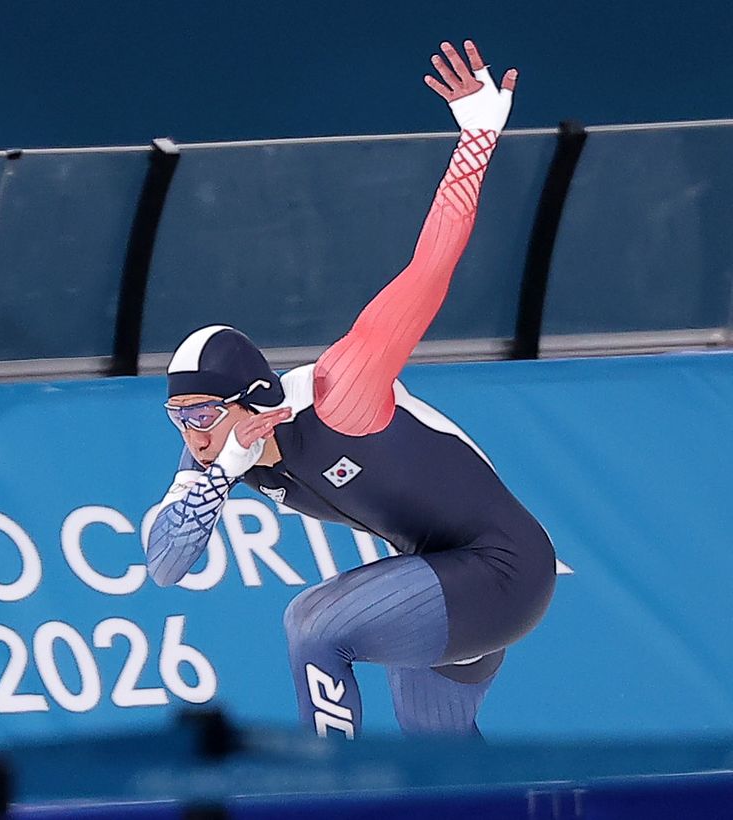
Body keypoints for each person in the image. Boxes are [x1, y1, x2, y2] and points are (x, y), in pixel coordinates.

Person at [145, 40, 554, 738]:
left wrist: (477, 137)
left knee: (312, 624)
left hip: (500, 570)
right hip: (437, 578)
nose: (193, 433)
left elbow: (427, 273)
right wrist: (215, 479)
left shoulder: (342, 391)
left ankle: (336, 794)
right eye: (178, 416)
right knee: (443, 770)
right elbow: (164, 565)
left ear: (255, 400)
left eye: (205, 412)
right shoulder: (215, 457)